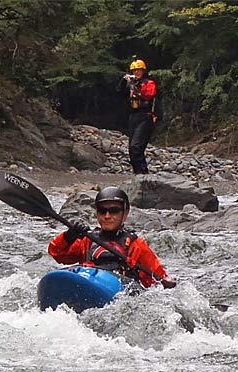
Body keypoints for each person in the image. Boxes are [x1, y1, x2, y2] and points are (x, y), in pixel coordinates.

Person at [48, 187, 176, 289]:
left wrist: (167, 282)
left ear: (125, 214)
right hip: (87, 282)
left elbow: (158, 282)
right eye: (102, 211)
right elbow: (57, 254)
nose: (107, 216)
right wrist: (67, 237)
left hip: (118, 292)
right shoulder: (88, 240)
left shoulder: (136, 245)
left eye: (114, 210)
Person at [116, 59, 158, 175]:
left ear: (143, 71)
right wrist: (124, 80)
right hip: (134, 116)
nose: (136, 73)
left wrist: (134, 86)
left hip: (145, 116)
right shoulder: (131, 83)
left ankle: (143, 174)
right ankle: (138, 174)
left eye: (138, 70)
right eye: (134, 71)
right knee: (131, 149)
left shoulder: (149, 83)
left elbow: (147, 95)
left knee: (136, 147)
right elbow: (119, 92)